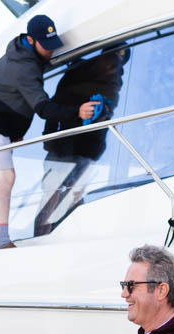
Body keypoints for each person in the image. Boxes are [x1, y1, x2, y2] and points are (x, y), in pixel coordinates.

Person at [0, 13, 98, 250]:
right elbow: (42, 108)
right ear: (30, 40)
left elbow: (16, 101)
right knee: (6, 177)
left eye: (52, 45)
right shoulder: (24, 67)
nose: (50, 51)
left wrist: (15, 130)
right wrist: (78, 112)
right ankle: (3, 241)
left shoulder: (25, 56)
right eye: (45, 46)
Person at [34, 47, 129, 236]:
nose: (113, 67)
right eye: (111, 60)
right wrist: (49, 135)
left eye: (118, 64)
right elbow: (55, 104)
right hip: (64, 142)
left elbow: (106, 114)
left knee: (75, 193)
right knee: (52, 192)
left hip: (90, 145)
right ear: (102, 57)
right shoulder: (77, 71)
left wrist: (102, 115)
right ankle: (41, 237)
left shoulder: (115, 84)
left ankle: (73, 236)